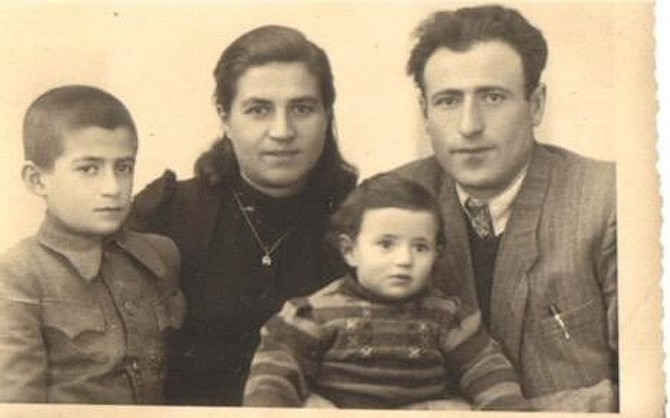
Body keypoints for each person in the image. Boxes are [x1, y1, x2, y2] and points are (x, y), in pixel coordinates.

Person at [391, 5, 617, 412]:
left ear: (536, 105)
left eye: (493, 97)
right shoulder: (393, 202)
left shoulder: (608, 199)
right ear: (424, 112)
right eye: (447, 101)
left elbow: (652, 388)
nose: (469, 125)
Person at [127, 25, 357, 405]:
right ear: (224, 117)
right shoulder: (168, 213)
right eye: (258, 109)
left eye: (302, 108)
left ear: (326, 113)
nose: (282, 131)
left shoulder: (364, 219)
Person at [243, 174, 530, 410]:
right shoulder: (315, 313)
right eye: (386, 244)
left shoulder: (447, 316)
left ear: (436, 253)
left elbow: (487, 371)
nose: (404, 260)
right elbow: (275, 370)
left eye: (420, 247)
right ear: (350, 251)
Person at [0, 85, 186, 403]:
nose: (112, 187)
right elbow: (18, 405)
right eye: (89, 169)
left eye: (123, 167)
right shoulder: (18, 275)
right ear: (36, 179)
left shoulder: (159, 255)